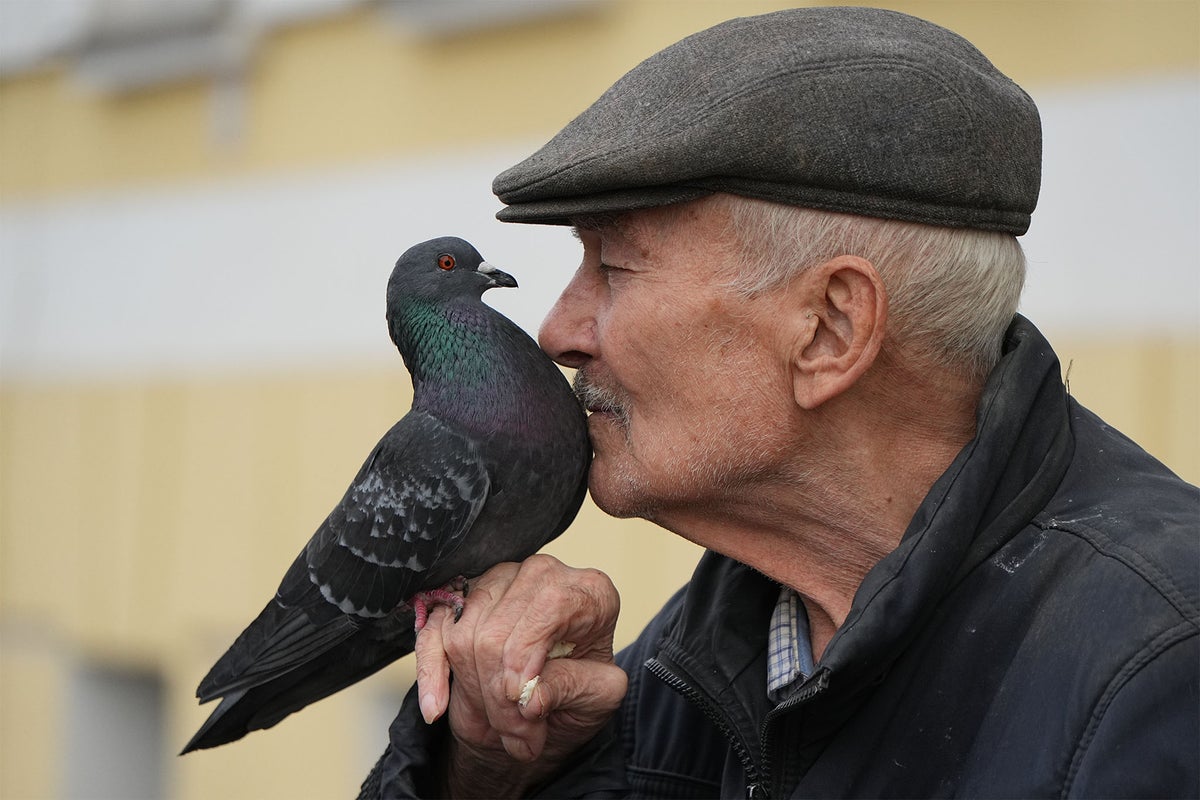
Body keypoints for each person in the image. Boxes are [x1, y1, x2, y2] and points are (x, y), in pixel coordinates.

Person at [360, 7, 1199, 798]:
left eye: (613, 269)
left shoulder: (1160, 668)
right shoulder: (720, 634)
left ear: (830, 329)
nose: (557, 332)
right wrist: (496, 764)